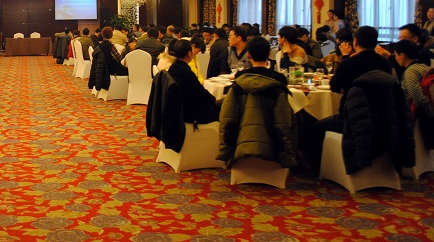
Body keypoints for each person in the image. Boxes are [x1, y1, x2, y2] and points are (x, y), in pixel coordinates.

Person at [307, 26, 394, 169]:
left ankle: (317, 167)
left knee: (316, 127)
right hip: (381, 116)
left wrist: (346, 57)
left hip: (351, 118)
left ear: (355, 42)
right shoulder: (385, 64)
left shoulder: (349, 63)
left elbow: (335, 86)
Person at [218, 36, 296, 169]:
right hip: (273, 137)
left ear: (249, 55)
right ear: (269, 54)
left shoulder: (240, 79)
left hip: (241, 136)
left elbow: (228, 117)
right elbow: (284, 120)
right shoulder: (279, 80)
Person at [167, 39, 220, 124]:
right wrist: (213, 99)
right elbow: (202, 94)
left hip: (179, 110)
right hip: (192, 114)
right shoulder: (186, 73)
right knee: (223, 105)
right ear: (189, 53)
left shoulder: (172, 68)